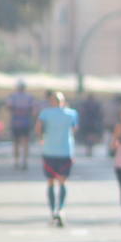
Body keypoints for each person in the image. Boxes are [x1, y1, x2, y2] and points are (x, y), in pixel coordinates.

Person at [35, 90, 79, 226]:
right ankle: (61, 209)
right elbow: (75, 129)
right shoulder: (71, 113)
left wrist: (42, 137)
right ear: (63, 101)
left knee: (50, 182)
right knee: (63, 182)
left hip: (49, 151)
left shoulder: (45, 113)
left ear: (51, 102)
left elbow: (38, 128)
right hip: (66, 151)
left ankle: (53, 211)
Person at [6, 80, 38, 170]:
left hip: (16, 122)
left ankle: (16, 161)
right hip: (26, 121)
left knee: (16, 142)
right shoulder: (30, 97)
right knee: (25, 142)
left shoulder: (12, 96)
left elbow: (9, 106)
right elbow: (34, 110)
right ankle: (25, 161)